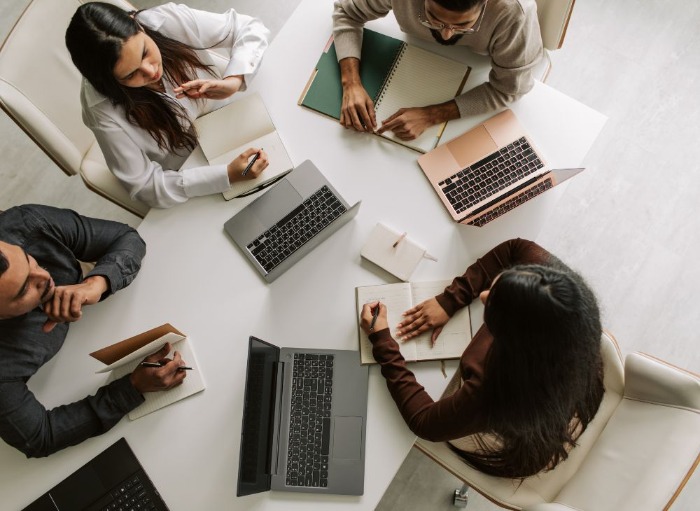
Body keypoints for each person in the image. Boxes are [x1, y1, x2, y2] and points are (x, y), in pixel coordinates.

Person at [359, 238, 604, 477]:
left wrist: (381, 340)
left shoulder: (495, 391)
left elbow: (424, 422)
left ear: (510, 340)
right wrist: (451, 299)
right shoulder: (555, 290)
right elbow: (514, 248)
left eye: (492, 302)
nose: (484, 295)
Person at [0, 205, 187, 458]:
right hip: (61, 379)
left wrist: (95, 284)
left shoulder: (26, 225)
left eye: (29, 260)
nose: (44, 276)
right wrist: (132, 387)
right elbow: (41, 436)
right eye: (25, 289)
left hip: (117, 316)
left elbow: (126, 238)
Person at [65, 2, 271, 208]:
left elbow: (248, 27)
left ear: (137, 25)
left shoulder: (163, 20)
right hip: (194, 168)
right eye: (130, 74)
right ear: (109, 81)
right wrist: (226, 175)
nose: (150, 71)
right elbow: (145, 186)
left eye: (145, 52)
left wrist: (234, 81)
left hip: (239, 120)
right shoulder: (100, 109)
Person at [333, 0, 543, 140]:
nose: (446, 36)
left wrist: (431, 115)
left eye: (463, 25)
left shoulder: (517, 12)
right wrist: (350, 82)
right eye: (434, 18)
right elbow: (346, 12)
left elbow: (510, 89)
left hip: (474, 70)